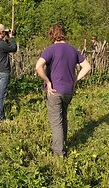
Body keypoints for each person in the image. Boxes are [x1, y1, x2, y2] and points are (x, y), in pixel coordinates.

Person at [35, 24, 91, 157]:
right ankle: (63, 143)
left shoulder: (51, 49)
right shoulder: (73, 50)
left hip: (54, 90)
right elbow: (87, 67)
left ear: (51, 35)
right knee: (63, 117)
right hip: (68, 90)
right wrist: (75, 79)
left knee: (56, 122)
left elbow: (38, 67)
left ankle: (58, 153)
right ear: (64, 34)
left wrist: (48, 82)